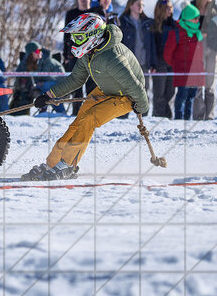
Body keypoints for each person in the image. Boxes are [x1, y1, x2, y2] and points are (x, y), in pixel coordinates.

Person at [22, 12, 148, 181]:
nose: (74, 42)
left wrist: (141, 105)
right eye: (74, 37)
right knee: (77, 123)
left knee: (89, 120)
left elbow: (135, 86)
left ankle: (68, 164)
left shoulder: (112, 57)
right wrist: (49, 95)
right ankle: (53, 163)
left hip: (125, 96)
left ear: (92, 36)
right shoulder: (89, 53)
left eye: (78, 38)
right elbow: (75, 79)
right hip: (106, 89)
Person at [162, 4, 205, 120]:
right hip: (182, 71)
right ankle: (179, 119)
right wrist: (177, 65)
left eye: (198, 18)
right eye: (195, 18)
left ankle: (187, 120)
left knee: (191, 97)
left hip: (195, 72)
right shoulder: (176, 32)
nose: (197, 20)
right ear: (187, 18)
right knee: (181, 97)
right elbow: (167, 54)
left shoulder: (197, 33)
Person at [189, 0, 217, 120]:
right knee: (197, 84)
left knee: (210, 82)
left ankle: (209, 115)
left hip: (212, 49)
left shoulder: (215, 9)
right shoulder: (191, 8)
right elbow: (185, 27)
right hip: (196, 47)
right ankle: (197, 115)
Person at [63, 0, 93, 115]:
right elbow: (66, 35)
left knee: (92, 86)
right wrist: (66, 54)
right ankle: (76, 112)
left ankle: (91, 112)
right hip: (75, 54)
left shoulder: (94, 14)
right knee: (76, 85)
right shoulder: (71, 14)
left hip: (91, 54)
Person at [151, 0, 175, 118]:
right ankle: (158, 116)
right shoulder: (154, 26)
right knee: (159, 93)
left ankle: (166, 116)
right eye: (167, 8)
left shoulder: (174, 24)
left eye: (171, 7)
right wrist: (153, 63)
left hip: (172, 64)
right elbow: (152, 46)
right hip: (159, 63)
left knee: (170, 92)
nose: (170, 10)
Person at [12, 41, 45, 112]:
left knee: (42, 96)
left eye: (40, 50)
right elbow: (19, 77)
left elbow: (45, 76)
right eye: (37, 51)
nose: (39, 52)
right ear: (31, 53)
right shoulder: (24, 64)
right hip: (27, 89)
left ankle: (43, 113)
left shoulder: (43, 61)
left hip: (42, 87)